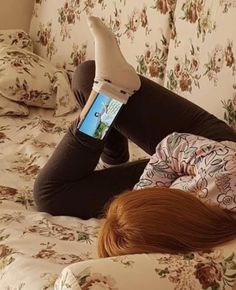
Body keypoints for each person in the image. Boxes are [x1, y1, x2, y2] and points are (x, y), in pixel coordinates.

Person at [33, 16, 236, 257]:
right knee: (87, 78)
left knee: (49, 195)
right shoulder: (223, 173)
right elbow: (172, 146)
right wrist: (142, 197)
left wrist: (139, 206)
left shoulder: (171, 236)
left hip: (173, 191)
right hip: (206, 147)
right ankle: (112, 103)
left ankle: (111, 127)